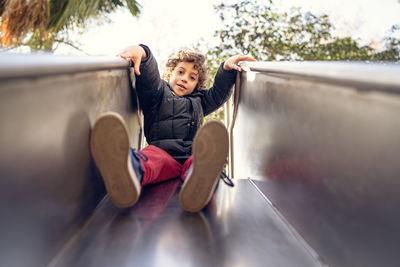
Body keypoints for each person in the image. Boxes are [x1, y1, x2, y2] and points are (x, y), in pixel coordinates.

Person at [90, 44, 255, 212]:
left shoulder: (200, 101)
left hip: (191, 155)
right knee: (150, 159)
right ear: (170, 73)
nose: (184, 79)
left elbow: (219, 93)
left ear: (197, 85)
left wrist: (226, 68)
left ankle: (201, 183)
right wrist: (144, 53)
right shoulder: (158, 93)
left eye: (192, 77)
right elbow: (149, 79)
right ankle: (129, 171)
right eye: (180, 72)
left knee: (200, 162)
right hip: (162, 152)